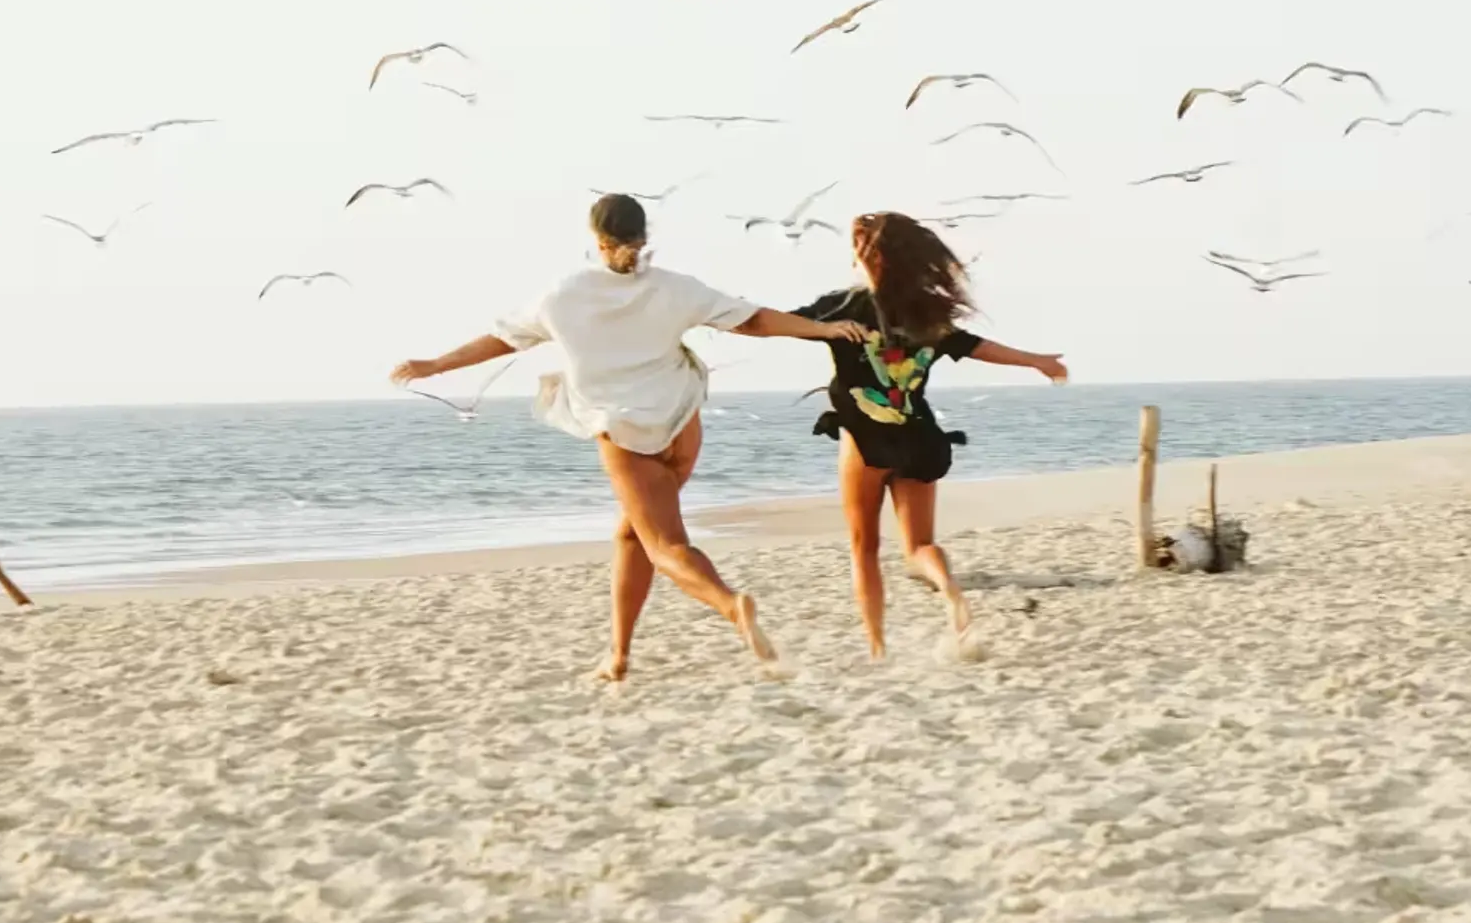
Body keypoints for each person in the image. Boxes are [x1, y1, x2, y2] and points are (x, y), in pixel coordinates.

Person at [391, 193, 869, 681]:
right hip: (681, 423)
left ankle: (732, 606)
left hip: (624, 432)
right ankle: (618, 655)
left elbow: (502, 339)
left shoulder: (562, 295)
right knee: (631, 535)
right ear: (643, 238)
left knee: (664, 545)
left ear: (598, 240)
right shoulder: (675, 288)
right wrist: (822, 330)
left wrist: (436, 365)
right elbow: (754, 320)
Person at [791, 210, 1067, 660]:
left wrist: (725, 315)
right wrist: (1037, 360)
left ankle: (877, 646)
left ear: (868, 255)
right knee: (920, 545)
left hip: (866, 439)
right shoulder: (927, 312)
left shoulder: (842, 307)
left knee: (864, 547)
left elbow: (780, 323)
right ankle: (949, 589)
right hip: (919, 436)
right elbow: (976, 348)